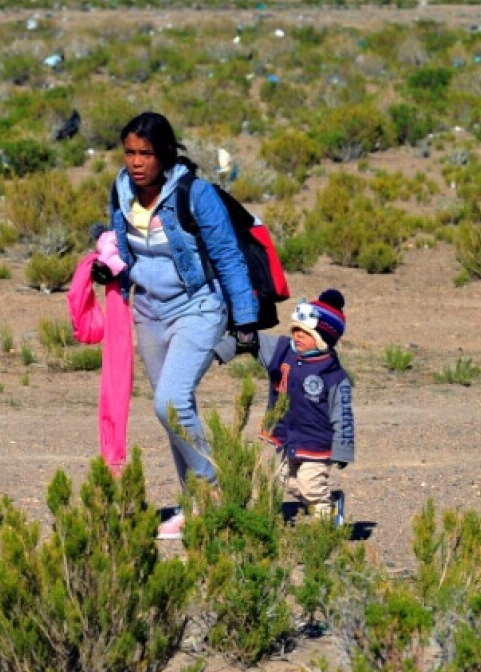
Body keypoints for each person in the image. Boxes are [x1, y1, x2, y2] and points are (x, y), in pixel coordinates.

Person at [93, 112, 260, 540]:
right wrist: (109, 270)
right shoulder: (121, 188)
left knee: (170, 401)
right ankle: (195, 504)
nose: (136, 162)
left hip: (197, 308)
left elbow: (227, 256)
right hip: (147, 311)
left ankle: (215, 491)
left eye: (145, 153)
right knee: (173, 413)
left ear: (164, 153)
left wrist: (245, 319)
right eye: (129, 152)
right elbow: (121, 243)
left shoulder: (194, 193)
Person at [256, 290, 354, 525]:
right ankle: (325, 500)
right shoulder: (284, 354)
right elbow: (256, 343)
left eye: (305, 332)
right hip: (288, 437)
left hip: (317, 442)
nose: (298, 336)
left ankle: (326, 519)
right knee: (281, 481)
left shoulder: (334, 375)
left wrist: (343, 450)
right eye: (295, 330)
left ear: (322, 338)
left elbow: (344, 416)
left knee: (310, 487)